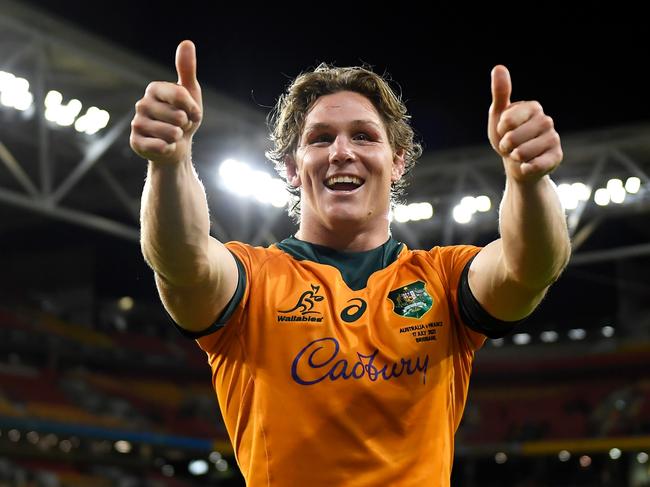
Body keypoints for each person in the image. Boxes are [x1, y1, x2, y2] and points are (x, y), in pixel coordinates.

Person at [130, 40, 570, 486]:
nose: (342, 151)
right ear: (291, 168)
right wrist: (170, 162)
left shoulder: (443, 279)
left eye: (363, 135)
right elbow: (181, 260)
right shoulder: (253, 281)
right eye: (320, 139)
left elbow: (530, 267)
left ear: (397, 161)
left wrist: (529, 181)